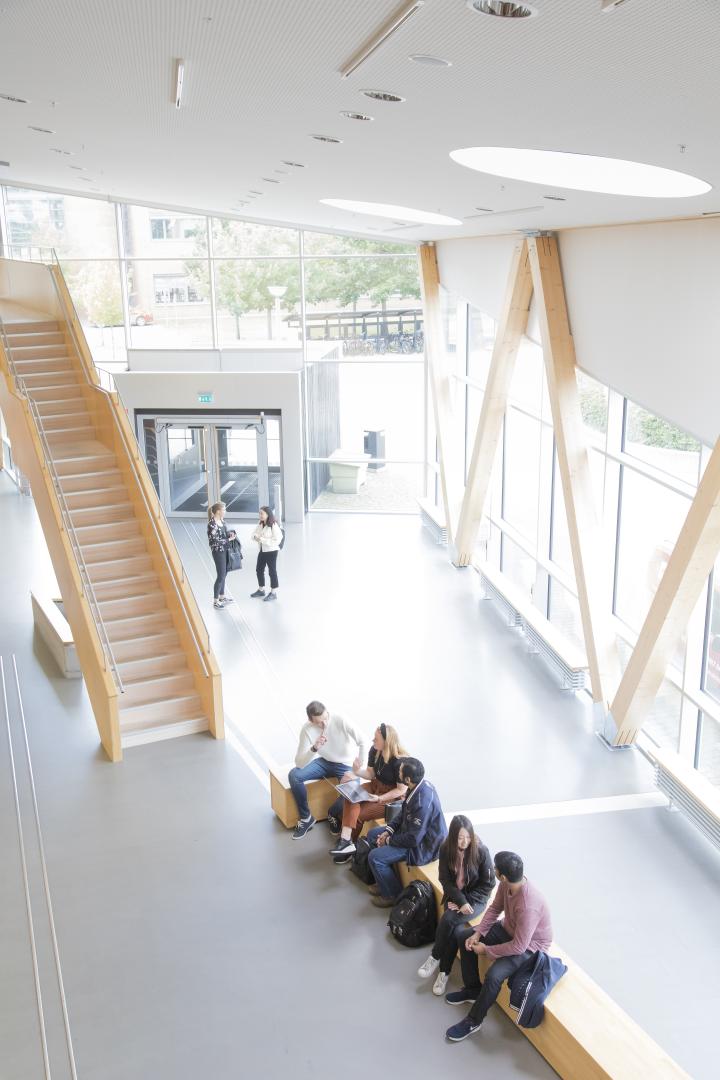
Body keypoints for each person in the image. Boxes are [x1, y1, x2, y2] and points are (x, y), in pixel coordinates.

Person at [444, 850, 553, 1043]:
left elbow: (519, 946)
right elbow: (495, 908)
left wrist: (486, 950)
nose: (492, 869)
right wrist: (478, 933)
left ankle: (473, 1021)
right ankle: (473, 989)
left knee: (494, 976)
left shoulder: (529, 906)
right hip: (509, 930)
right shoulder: (506, 884)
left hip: (530, 947)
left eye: (495, 867)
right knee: (463, 936)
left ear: (502, 875)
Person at [416, 816, 494, 998]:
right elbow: (445, 879)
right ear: (452, 837)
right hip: (455, 897)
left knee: (449, 919)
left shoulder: (481, 850)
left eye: (468, 837)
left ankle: (435, 957)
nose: (464, 841)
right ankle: (443, 973)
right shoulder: (446, 848)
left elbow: (488, 884)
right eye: (460, 837)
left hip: (476, 899)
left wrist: (466, 902)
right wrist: (459, 900)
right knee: (454, 929)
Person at [365, 759, 447, 908]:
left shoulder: (422, 803)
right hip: (411, 831)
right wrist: (388, 831)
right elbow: (403, 811)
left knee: (375, 858)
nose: (398, 773)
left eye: (400, 771)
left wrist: (388, 841)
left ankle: (392, 895)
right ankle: (384, 882)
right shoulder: (417, 786)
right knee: (372, 835)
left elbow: (413, 840)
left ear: (407, 780)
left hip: (423, 846)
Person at [327, 723, 408, 863]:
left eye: (376, 739)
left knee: (360, 815)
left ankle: (348, 847)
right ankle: (346, 841)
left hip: (391, 796)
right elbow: (371, 774)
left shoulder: (400, 761)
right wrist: (356, 771)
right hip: (375, 785)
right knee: (351, 794)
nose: (372, 741)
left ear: (386, 741)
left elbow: (401, 790)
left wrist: (379, 798)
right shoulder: (375, 750)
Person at [289, 701, 368, 840]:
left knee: (354, 791)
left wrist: (355, 771)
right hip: (324, 762)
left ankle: (332, 813)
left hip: (345, 764)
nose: (324, 724)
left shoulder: (340, 719)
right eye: (319, 722)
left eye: (326, 718)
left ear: (327, 712)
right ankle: (306, 818)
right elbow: (299, 763)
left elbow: (363, 742)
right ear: (310, 720)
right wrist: (314, 748)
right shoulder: (307, 729)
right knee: (294, 775)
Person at [207, 501, 236, 609]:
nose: (225, 511)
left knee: (224, 573)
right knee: (221, 575)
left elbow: (223, 534)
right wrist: (228, 539)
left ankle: (222, 597)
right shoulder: (212, 524)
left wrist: (230, 534)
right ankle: (215, 601)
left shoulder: (222, 521)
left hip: (225, 550)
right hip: (218, 552)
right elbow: (214, 541)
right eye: (224, 509)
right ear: (218, 511)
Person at [250, 505, 282, 602]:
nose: (260, 515)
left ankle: (273, 592)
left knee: (272, 571)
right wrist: (256, 537)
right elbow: (254, 534)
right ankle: (261, 590)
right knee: (259, 569)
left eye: (262, 513)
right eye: (259, 513)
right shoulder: (261, 524)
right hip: (263, 550)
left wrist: (261, 539)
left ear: (268, 514)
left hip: (271, 551)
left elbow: (277, 540)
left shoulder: (273, 525)